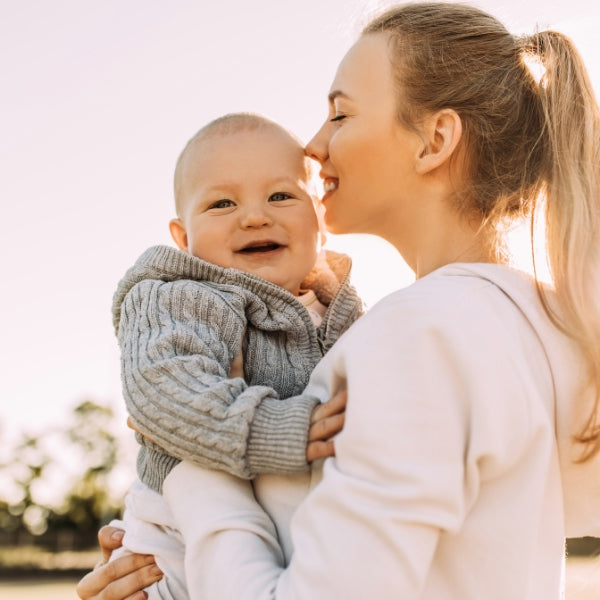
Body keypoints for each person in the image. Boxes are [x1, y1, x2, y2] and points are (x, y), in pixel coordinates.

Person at [77, 3, 600, 599]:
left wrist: (194, 478)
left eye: (340, 113)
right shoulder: (550, 328)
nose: (313, 144)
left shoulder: (420, 336)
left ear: (435, 139)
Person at [100, 112, 363, 598]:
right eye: (222, 203)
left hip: (294, 541)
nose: (255, 216)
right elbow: (163, 385)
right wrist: (273, 428)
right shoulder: (180, 295)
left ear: (320, 221)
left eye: (281, 195)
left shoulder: (345, 312)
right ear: (184, 239)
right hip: (177, 535)